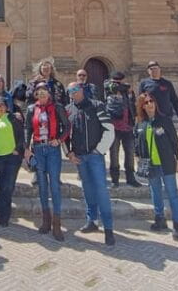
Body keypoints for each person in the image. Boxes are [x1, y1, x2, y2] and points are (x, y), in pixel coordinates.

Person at [65, 82, 116, 246]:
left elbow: (109, 128)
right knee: (87, 189)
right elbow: (64, 133)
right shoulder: (69, 110)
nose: (73, 93)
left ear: (82, 90)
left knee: (101, 190)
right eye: (70, 91)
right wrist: (69, 153)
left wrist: (100, 150)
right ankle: (92, 220)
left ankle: (108, 228)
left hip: (94, 156)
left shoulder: (97, 105)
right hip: (79, 157)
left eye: (76, 89)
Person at [24, 82, 70, 241]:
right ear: (36, 94)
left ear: (49, 94)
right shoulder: (31, 109)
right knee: (42, 185)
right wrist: (26, 149)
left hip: (52, 149)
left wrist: (59, 139)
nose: (42, 94)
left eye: (44, 92)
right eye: (39, 92)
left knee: (55, 185)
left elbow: (67, 126)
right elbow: (27, 129)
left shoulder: (57, 107)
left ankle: (57, 224)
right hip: (38, 148)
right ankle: (46, 220)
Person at [135, 92, 178, 240]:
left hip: (167, 163)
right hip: (151, 165)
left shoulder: (165, 121)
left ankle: (177, 225)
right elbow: (137, 142)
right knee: (155, 193)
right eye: (146, 102)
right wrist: (137, 155)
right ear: (142, 106)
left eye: (151, 101)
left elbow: (174, 140)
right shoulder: (141, 124)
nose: (150, 104)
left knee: (172, 194)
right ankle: (160, 219)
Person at [0, 96, 24, 226]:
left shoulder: (13, 118)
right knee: (3, 186)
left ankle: (1, 210)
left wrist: (18, 149)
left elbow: (21, 135)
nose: (0, 107)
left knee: (9, 186)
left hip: (12, 157)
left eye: (2, 105)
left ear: (7, 107)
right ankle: (2, 213)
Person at [104, 71, 141, 188]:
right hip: (114, 126)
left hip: (128, 126)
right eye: (116, 81)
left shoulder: (127, 91)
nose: (118, 83)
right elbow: (114, 86)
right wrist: (126, 87)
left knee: (130, 153)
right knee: (114, 154)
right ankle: (115, 179)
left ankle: (130, 177)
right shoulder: (108, 85)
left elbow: (133, 102)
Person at [138, 61, 178, 131]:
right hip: (150, 118)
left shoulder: (167, 83)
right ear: (148, 71)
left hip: (166, 118)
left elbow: (175, 101)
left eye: (156, 68)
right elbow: (140, 102)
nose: (154, 71)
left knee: (169, 140)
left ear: (160, 69)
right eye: (152, 69)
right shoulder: (144, 83)